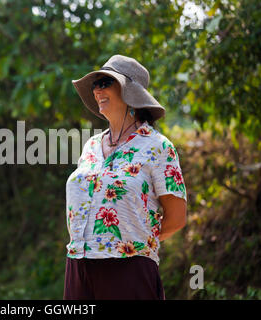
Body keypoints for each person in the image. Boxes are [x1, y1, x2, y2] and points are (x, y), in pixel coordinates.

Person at [64, 55, 187, 300]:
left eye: (105, 82)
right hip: (78, 264)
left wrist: (135, 237)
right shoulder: (91, 146)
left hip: (129, 266)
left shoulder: (158, 146)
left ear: (129, 92)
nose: (97, 90)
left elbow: (176, 218)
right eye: (95, 85)